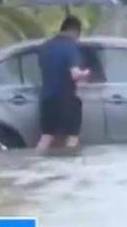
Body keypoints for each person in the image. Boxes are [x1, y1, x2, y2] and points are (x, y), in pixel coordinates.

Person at [36, 15, 91, 154]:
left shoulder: (45, 47)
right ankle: (69, 167)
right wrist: (86, 73)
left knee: (46, 137)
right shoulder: (70, 47)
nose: (78, 38)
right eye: (78, 35)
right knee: (72, 136)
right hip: (66, 99)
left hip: (46, 99)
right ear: (75, 31)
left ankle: (36, 161)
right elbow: (75, 75)